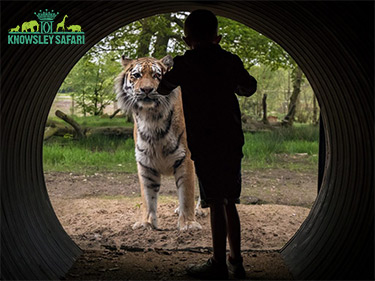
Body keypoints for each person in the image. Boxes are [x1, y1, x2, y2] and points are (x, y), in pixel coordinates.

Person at [157, 9, 257, 280]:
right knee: (229, 202)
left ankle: (218, 264)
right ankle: (236, 261)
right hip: (231, 140)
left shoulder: (186, 63)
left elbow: (164, 87)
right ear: (218, 37)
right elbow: (249, 87)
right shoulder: (229, 60)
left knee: (215, 201)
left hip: (204, 142)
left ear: (187, 39)